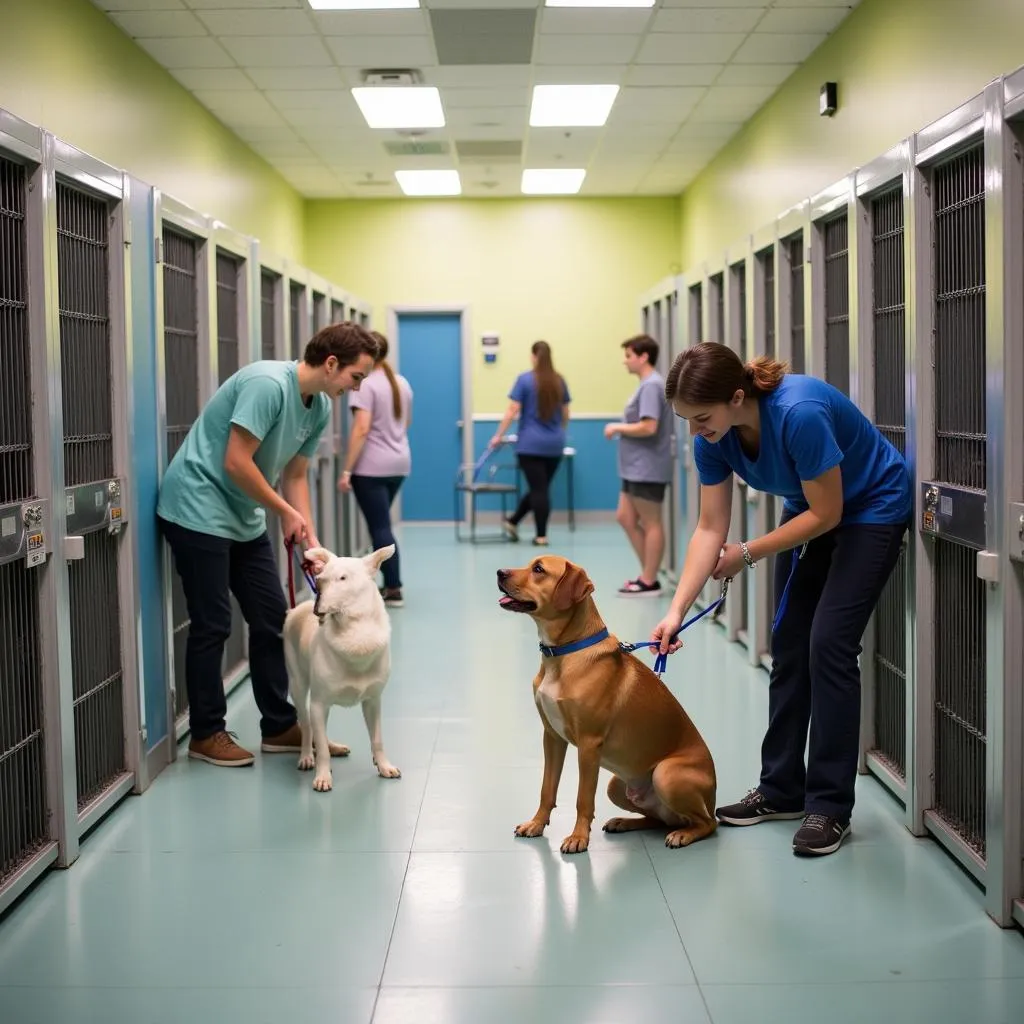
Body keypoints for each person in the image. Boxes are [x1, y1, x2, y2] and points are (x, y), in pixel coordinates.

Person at [650, 342, 911, 857]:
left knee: (829, 644)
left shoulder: (799, 412)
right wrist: (675, 611)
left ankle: (829, 807)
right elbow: (708, 528)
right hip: (812, 510)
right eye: (685, 419)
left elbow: (829, 514)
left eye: (701, 417)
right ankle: (781, 790)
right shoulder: (714, 437)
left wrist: (747, 552)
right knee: (788, 643)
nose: (695, 430)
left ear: (737, 396)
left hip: (871, 508)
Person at [157, 322, 380, 768]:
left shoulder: (316, 407)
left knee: (270, 618)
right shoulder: (266, 384)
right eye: (356, 377)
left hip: (243, 514)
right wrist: (283, 511)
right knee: (213, 622)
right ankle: (206, 733)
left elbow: (295, 475)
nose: (356, 388)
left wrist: (311, 540)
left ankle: (279, 726)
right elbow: (236, 462)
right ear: (332, 363)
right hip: (197, 508)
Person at [339, 331, 412, 607]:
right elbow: (407, 423)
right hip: (399, 463)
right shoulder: (401, 383)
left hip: (372, 467)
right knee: (383, 524)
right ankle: (383, 582)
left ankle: (393, 587)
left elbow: (361, 429)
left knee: (380, 527)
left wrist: (347, 470)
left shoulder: (366, 384)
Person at [605, 334, 674, 596]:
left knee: (651, 521)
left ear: (643, 356)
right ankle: (648, 573)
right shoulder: (646, 385)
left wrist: (616, 427)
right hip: (634, 466)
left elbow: (649, 426)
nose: (625, 362)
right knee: (625, 517)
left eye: (629, 356)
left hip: (648, 467)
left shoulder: (652, 386)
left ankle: (649, 580)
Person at [491, 340, 571, 546]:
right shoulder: (559, 381)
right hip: (554, 445)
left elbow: (512, 410)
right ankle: (513, 521)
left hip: (530, 445)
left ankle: (541, 536)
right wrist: (558, 433)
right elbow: (565, 413)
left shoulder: (525, 380)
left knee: (539, 489)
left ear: (535, 356)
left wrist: (498, 435)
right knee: (540, 488)